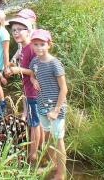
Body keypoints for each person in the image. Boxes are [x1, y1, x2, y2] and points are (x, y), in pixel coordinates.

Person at [29, 29, 68, 180]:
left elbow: (64, 88)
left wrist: (56, 110)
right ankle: (52, 164)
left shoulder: (55, 64)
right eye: (36, 44)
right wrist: (33, 80)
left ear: (49, 45)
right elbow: (32, 74)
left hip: (56, 107)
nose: (39, 48)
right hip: (42, 105)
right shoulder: (35, 62)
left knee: (58, 139)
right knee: (49, 135)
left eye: (42, 44)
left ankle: (61, 173)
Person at [5, 14, 43, 164]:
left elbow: (37, 72)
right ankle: (38, 149)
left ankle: (33, 155)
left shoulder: (32, 48)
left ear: (28, 31)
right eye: (13, 30)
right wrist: (15, 67)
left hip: (35, 92)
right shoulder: (23, 48)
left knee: (34, 124)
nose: (16, 33)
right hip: (28, 90)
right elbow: (26, 68)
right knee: (34, 122)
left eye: (20, 29)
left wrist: (18, 70)